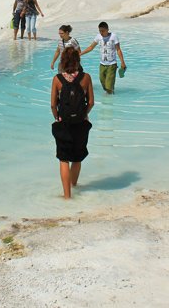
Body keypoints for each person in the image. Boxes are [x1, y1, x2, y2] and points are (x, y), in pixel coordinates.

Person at [50, 47, 95, 199]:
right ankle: (74, 187)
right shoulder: (86, 77)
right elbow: (91, 102)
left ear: (62, 61)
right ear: (78, 60)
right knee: (77, 158)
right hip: (81, 123)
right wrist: (84, 115)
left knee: (64, 159)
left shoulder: (57, 79)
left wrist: (57, 117)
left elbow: (52, 104)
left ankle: (67, 197)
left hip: (63, 124)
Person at [80, 21, 127, 94]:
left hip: (112, 64)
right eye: (100, 31)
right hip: (102, 64)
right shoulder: (98, 37)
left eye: (103, 31)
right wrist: (80, 54)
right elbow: (91, 47)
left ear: (107, 29)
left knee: (108, 86)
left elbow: (118, 50)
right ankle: (110, 91)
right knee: (102, 81)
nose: (101, 32)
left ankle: (109, 97)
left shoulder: (113, 36)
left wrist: (122, 62)